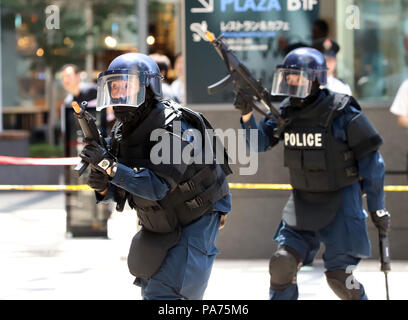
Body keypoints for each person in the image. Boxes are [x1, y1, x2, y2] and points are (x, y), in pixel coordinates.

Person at [235, 47, 390, 300]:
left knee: (340, 278)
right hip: (302, 202)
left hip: (342, 203)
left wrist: (377, 207)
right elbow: (258, 144)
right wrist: (246, 114)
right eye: (288, 76)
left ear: (316, 78)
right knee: (282, 265)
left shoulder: (342, 111)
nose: (291, 81)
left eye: (298, 76)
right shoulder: (287, 112)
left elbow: (373, 162)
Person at [78, 53, 232, 300]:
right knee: (151, 289)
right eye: (113, 86)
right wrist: (104, 187)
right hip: (159, 218)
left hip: (196, 215)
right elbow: (125, 190)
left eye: (126, 85)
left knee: (170, 294)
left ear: (148, 88)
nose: (118, 94)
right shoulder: (123, 131)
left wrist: (108, 166)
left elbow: (156, 187)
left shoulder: (177, 126)